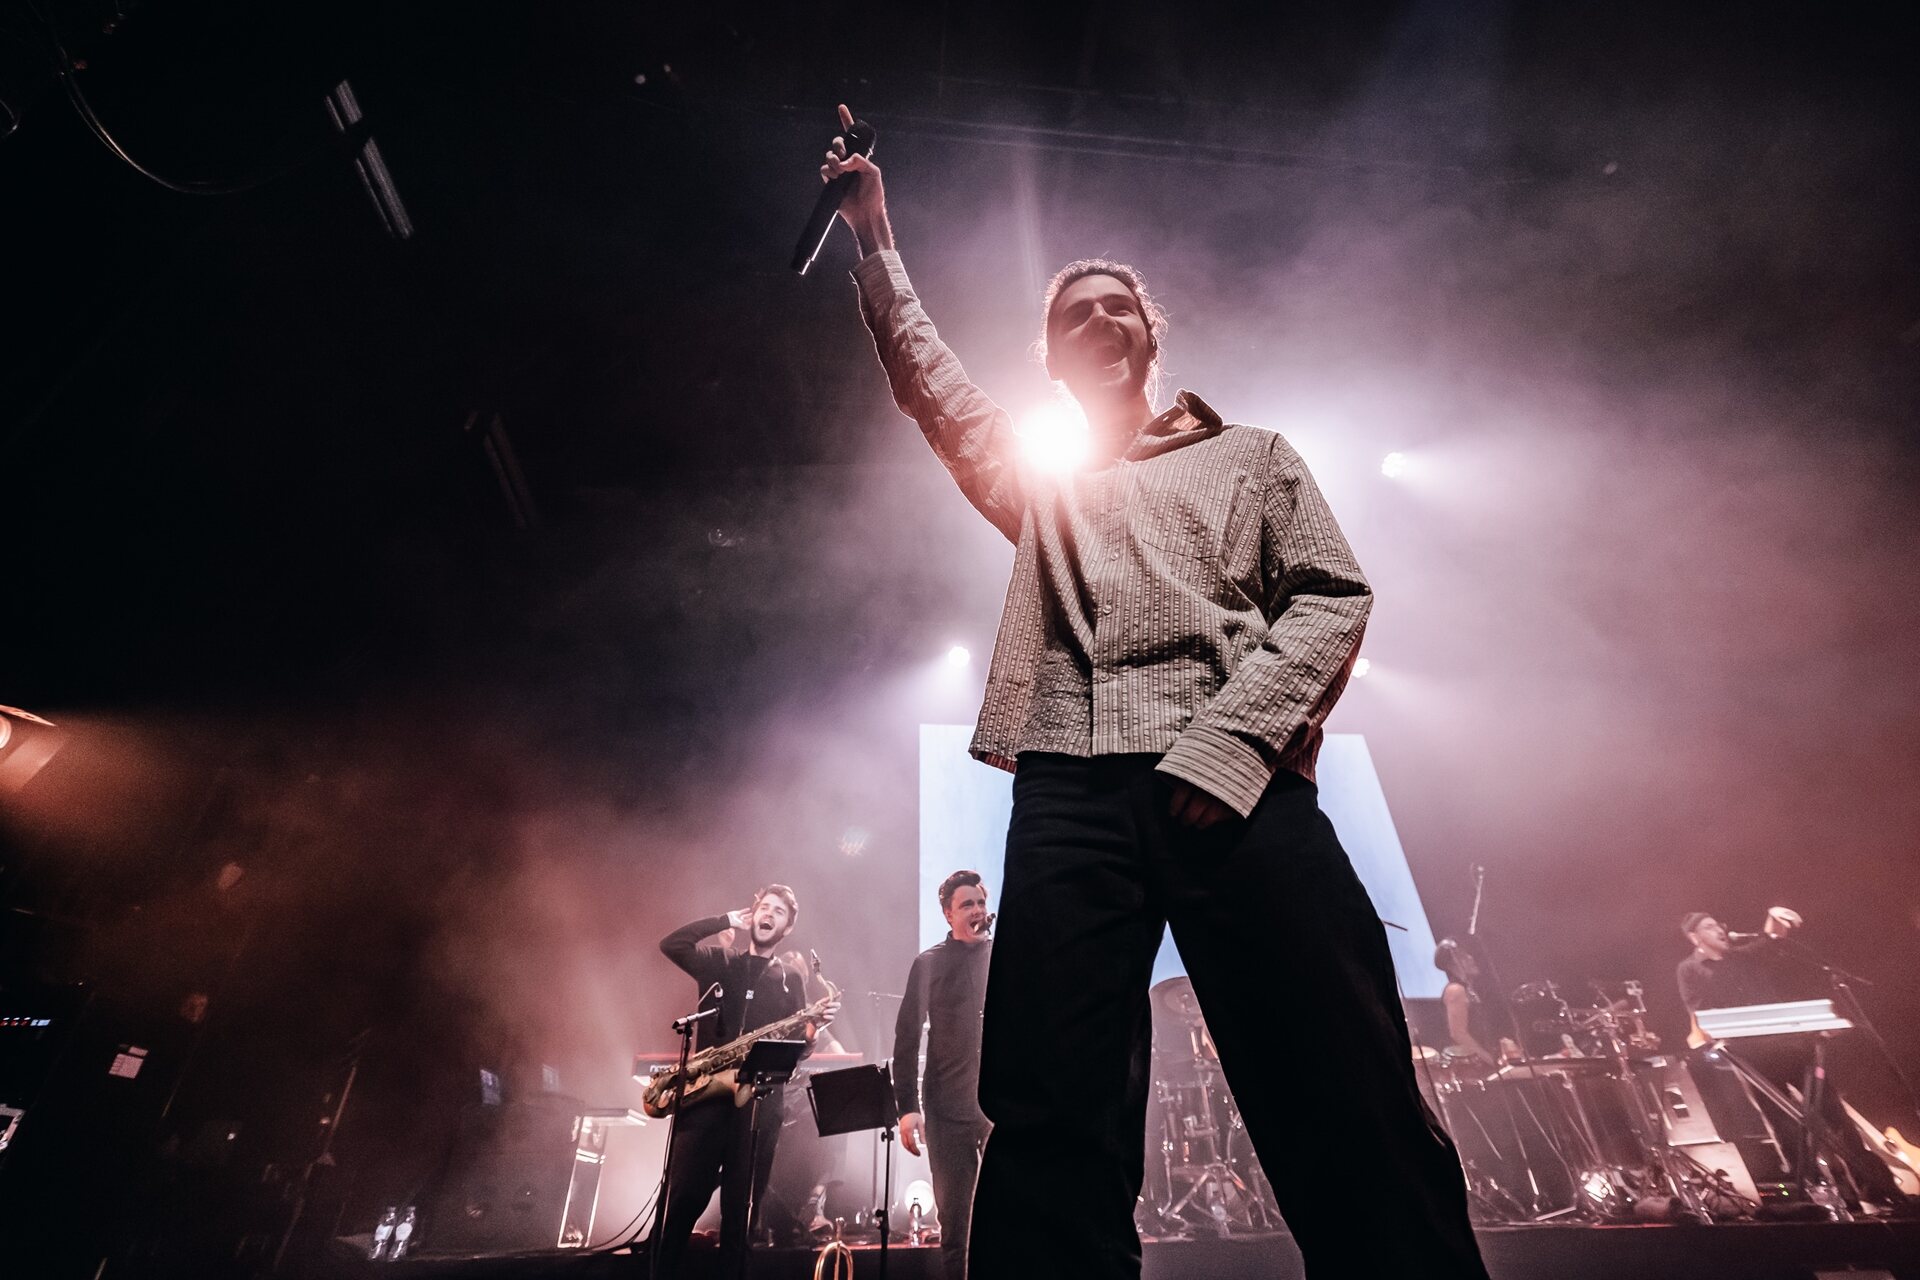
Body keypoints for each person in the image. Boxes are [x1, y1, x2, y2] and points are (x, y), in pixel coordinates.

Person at [822, 105, 1488, 1278]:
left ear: (1149, 333)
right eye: (1071, 313)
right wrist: (874, 238)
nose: (1097, 319)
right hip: (1071, 791)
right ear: (1051, 360)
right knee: (1049, 1111)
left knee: (1344, 1079)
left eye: (1115, 304)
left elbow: (1330, 595)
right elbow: (931, 382)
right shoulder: (1039, 480)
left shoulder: (1253, 455)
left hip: (1235, 783)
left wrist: (1234, 742)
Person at [653, 886, 834, 1277]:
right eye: (764, 907)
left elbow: (795, 1052)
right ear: (752, 914)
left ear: (787, 928)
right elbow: (672, 944)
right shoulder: (720, 961)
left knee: (741, 1213)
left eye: (779, 912)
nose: (769, 914)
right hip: (705, 1100)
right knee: (682, 1202)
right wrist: (725, 921)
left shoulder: (790, 978)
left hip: (758, 1105)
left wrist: (811, 1035)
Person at [893, 870, 994, 1280]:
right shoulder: (929, 963)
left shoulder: (1004, 958)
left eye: (981, 903)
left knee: (1013, 1212)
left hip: (999, 1107)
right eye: (967, 904)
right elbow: (906, 1039)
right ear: (949, 915)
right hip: (947, 1109)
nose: (977, 910)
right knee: (956, 1226)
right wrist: (907, 1108)